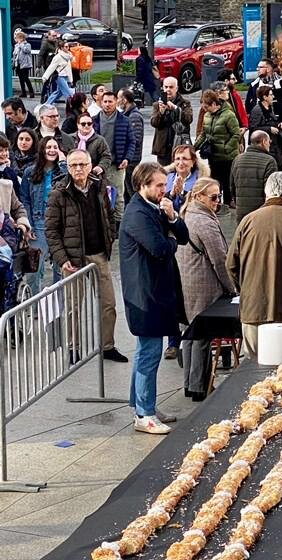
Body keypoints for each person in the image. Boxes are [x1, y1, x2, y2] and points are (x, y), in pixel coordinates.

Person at [119, 161, 188, 434]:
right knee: (149, 353)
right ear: (142, 186)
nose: (164, 189)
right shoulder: (137, 214)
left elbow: (183, 236)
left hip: (156, 291)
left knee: (144, 352)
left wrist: (172, 218)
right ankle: (143, 414)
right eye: (159, 185)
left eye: (164, 184)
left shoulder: (156, 207)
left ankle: (141, 403)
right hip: (144, 296)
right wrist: (170, 239)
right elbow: (161, 248)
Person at [45, 149, 128, 362]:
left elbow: (109, 214)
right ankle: (73, 348)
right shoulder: (59, 193)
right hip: (72, 259)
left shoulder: (99, 186)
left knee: (108, 304)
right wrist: (62, 259)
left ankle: (107, 346)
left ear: (90, 166)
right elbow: (51, 230)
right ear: (68, 168)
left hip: (99, 254)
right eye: (73, 165)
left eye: (82, 164)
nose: (78, 169)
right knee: (73, 307)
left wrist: (110, 238)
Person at [226, 172, 282, 359]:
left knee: (254, 369)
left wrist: (245, 289)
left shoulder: (248, 221)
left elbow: (231, 264)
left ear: (266, 192)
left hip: (253, 309)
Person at [177, 177, 236, 401]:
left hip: (189, 281)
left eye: (219, 196)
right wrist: (232, 287)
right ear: (199, 196)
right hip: (204, 285)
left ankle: (190, 385)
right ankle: (200, 387)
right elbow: (220, 260)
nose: (217, 201)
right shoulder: (204, 222)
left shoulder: (187, 214)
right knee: (202, 336)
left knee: (191, 334)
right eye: (213, 197)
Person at [21, 137, 66, 294]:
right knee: (33, 269)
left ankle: (56, 308)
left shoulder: (63, 171)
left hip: (60, 224)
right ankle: (34, 308)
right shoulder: (29, 172)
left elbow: (70, 188)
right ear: (42, 149)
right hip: (38, 223)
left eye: (55, 147)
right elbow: (24, 200)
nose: (52, 150)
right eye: (48, 147)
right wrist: (29, 225)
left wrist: (63, 163)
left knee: (60, 270)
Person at [194, 90, 241, 211]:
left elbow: (236, 134)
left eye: (207, 106)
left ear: (214, 104)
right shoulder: (207, 116)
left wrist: (226, 148)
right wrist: (194, 148)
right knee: (215, 179)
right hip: (213, 154)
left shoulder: (229, 115)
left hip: (228, 156)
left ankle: (229, 200)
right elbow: (203, 134)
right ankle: (217, 202)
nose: (205, 109)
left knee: (228, 180)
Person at [92, 91, 134, 224]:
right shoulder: (94, 121)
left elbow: (132, 141)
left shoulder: (125, 121)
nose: (107, 104)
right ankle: (102, 223)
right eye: (105, 101)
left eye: (110, 101)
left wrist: (127, 158)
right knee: (97, 195)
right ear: (100, 102)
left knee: (118, 196)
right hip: (98, 165)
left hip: (117, 165)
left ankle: (118, 224)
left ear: (116, 102)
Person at [231, 131, 278, 222]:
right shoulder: (269, 161)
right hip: (261, 212)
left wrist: (238, 204)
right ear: (264, 141)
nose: (269, 145)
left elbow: (232, 186)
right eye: (269, 142)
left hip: (241, 211)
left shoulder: (238, 159)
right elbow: (270, 190)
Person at [150, 77, 194, 167]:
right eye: (166, 87)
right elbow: (154, 123)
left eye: (171, 87)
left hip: (180, 146)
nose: (168, 90)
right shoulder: (157, 105)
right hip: (163, 149)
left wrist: (176, 109)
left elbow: (188, 119)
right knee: (164, 176)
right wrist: (161, 113)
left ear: (176, 88)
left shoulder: (185, 103)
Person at [249, 85, 282, 171]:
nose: (273, 97)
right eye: (271, 95)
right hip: (266, 146)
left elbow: (272, 121)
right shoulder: (257, 110)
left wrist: (279, 124)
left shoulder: (270, 108)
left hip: (276, 145)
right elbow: (253, 128)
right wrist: (269, 129)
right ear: (265, 97)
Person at [118, 89, 145, 204]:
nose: (117, 100)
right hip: (128, 159)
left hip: (132, 159)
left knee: (131, 189)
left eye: (119, 98)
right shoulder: (127, 115)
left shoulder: (134, 116)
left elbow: (136, 139)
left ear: (124, 100)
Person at [164, 144, 208, 212]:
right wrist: (171, 194)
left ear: (193, 162)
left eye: (185, 159)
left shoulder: (200, 182)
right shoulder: (166, 178)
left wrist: (182, 194)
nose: (181, 163)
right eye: (177, 159)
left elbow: (199, 208)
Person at [70, 114, 112, 184]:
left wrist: (100, 167)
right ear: (78, 125)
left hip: (93, 177)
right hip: (72, 176)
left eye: (89, 124)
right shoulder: (70, 138)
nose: (86, 126)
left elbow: (106, 157)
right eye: (83, 124)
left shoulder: (100, 140)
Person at [42, 40, 74, 105]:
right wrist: (45, 77)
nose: (68, 48)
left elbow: (69, 70)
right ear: (61, 48)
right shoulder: (58, 57)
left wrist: (71, 79)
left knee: (58, 93)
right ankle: (72, 107)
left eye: (68, 46)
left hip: (65, 76)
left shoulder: (68, 56)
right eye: (66, 47)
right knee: (68, 93)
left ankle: (47, 105)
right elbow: (51, 67)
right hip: (59, 76)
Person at [13, 32, 34, 99]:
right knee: (21, 79)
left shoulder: (27, 44)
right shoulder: (16, 45)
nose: (17, 39)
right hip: (18, 64)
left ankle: (31, 92)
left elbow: (27, 51)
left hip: (25, 64)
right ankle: (23, 92)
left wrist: (21, 45)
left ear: (22, 38)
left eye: (18, 38)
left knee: (26, 78)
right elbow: (15, 54)